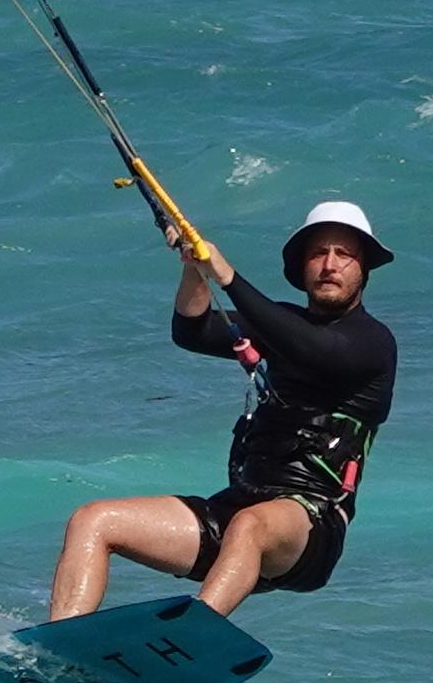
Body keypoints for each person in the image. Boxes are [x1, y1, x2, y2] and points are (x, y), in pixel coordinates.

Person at [47, 199, 397, 620]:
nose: (329, 264)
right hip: (238, 510)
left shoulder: (373, 343)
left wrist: (226, 275)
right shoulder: (281, 326)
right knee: (94, 520)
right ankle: (58, 647)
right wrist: (194, 266)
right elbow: (192, 330)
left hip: (310, 522)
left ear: (364, 269)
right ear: (303, 266)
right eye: (318, 253)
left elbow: (315, 350)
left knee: (249, 525)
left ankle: (194, 633)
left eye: (344, 254)